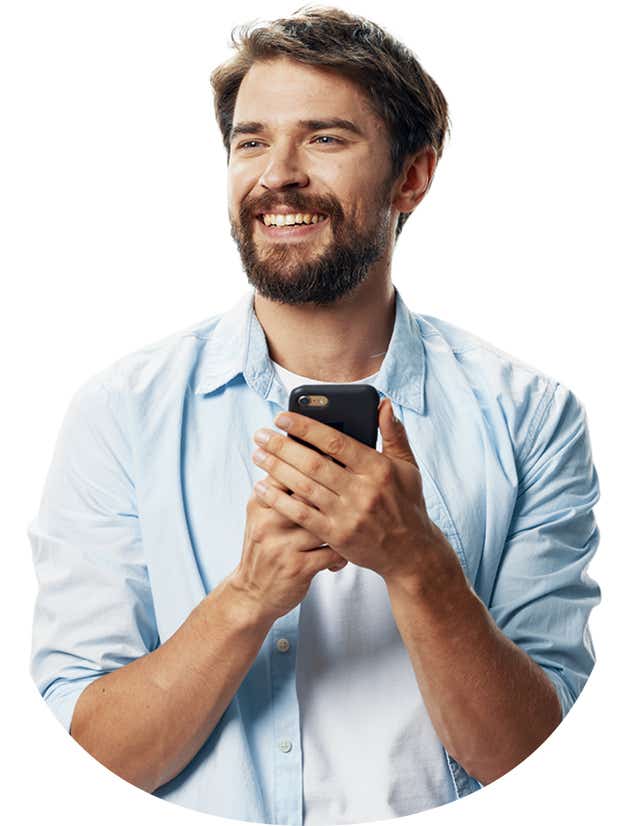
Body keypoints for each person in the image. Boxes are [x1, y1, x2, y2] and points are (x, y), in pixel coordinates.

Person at [28, 5, 601, 825]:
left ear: (412, 176)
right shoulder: (120, 415)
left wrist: (418, 565)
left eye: (325, 138)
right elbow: (94, 758)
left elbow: (535, 762)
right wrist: (250, 595)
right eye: (252, 141)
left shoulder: (533, 419)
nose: (277, 174)